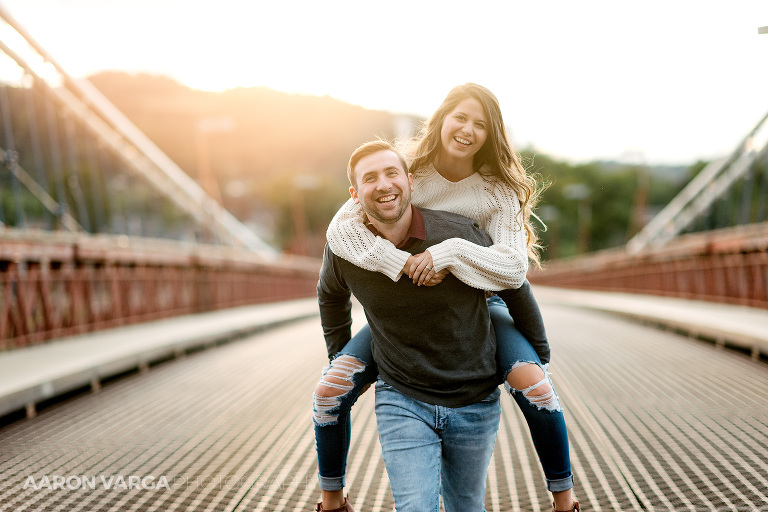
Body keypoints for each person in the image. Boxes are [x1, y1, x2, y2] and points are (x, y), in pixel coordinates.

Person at [313, 84, 579, 512]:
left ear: (491, 135)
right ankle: (332, 500)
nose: (468, 130)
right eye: (461, 118)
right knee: (330, 388)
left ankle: (564, 500)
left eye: (480, 124)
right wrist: (398, 263)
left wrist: (447, 253)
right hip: (403, 310)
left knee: (536, 386)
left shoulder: (497, 192)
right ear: (442, 119)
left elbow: (513, 269)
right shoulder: (405, 168)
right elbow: (342, 230)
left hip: (481, 301)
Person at [317, 140, 504, 511]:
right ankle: (331, 499)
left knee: (466, 506)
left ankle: (562, 495)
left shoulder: (459, 232)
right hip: (401, 395)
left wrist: (535, 355)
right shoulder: (346, 247)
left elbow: (512, 282)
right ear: (355, 195)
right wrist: (340, 357)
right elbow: (329, 295)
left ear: (410, 181)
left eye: (391, 173)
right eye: (370, 178)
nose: (383, 184)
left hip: (472, 396)